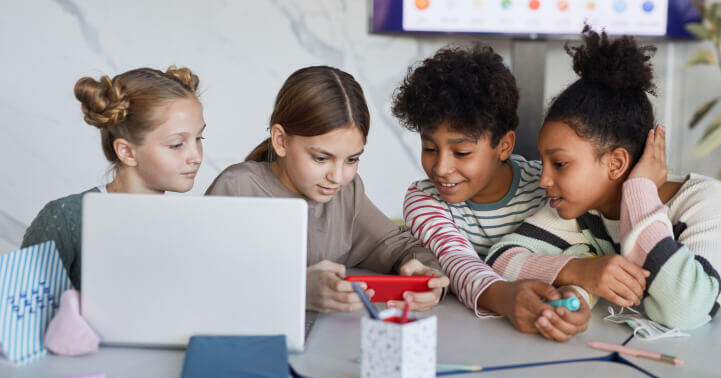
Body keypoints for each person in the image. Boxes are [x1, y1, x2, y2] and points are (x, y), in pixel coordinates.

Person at [486, 26, 721, 330]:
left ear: (616, 163)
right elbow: (500, 260)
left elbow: (683, 311)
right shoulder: (581, 208)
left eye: (559, 163)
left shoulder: (708, 201)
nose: (544, 179)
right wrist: (581, 271)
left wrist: (639, 192)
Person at [206, 66, 449, 313]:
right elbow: (204, 279)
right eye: (321, 158)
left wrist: (427, 276)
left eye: (352, 160)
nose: (337, 177)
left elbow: (400, 247)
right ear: (280, 141)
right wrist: (296, 290)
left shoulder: (347, 193)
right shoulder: (237, 188)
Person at [393, 44, 590, 341]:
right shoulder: (424, 200)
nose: (441, 168)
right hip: (461, 338)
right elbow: (456, 260)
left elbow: (580, 254)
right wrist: (505, 296)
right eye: (429, 148)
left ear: (505, 146)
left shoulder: (547, 188)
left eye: (462, 152)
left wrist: (576, 297)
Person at [22, 66, 206, 290]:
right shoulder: (67, 220)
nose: (196, 156)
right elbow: (19, 317)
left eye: (199, 137)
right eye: (177, 144)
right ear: (127, 152)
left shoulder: (192, 226)